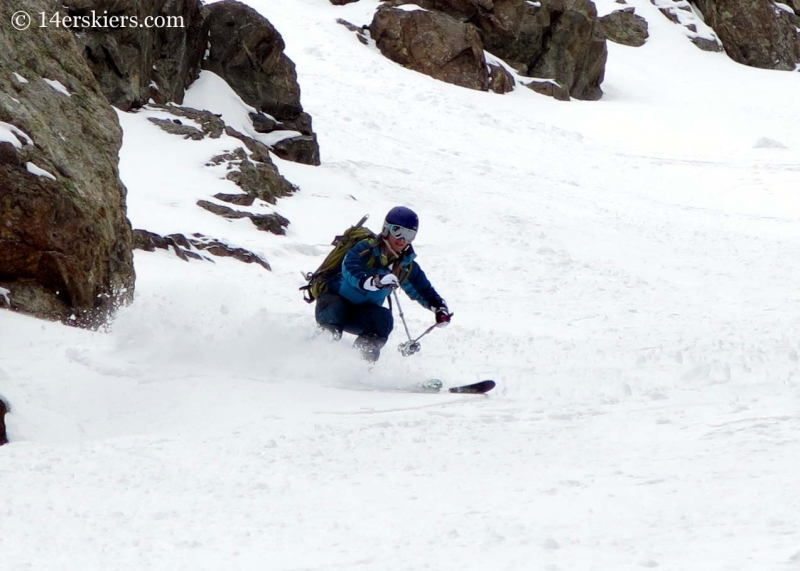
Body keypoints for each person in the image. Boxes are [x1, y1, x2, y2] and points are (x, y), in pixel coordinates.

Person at [315, 206, 451, 362]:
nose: (402, 239)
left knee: (383, 319)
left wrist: (439, 308)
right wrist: (374, 282)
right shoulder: (366, 248)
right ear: (386, 229)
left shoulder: (405, 265)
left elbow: (423, 290)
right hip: (333, 303)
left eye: (409, 235)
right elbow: (350, 268)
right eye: (397, 231)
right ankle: (316, 359)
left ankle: (358, 365)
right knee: (335, 311)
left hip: (360, 314)